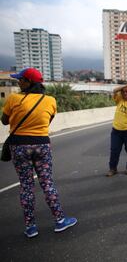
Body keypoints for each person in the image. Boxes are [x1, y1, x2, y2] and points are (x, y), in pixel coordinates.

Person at [1, 67, 77, 238]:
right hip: (41, 145)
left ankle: (30, 227)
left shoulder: (13, 99)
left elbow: (4, 121)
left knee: (26, 186)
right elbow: (48, 120)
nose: (18, 82)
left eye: (20, 79)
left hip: (19, 146)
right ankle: (59, 221)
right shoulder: (50, 100)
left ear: (29, 82)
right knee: (47, 183)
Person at [106, 82, 127, 177]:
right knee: (114, 150)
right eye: (123, 92)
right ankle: (113, 169)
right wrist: (125, 85)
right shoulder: (119, 99)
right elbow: (114, 90)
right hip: (116, 131)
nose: (125, 93)